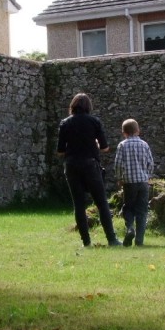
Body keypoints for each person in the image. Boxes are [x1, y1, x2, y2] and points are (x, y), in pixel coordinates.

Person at [57, 93, 121, 247]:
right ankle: (111, 239)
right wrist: (95, 145)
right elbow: (105, 147)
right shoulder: (94, 122)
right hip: (90, 164)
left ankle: (86, 242)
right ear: (88, 106)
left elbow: (60, 151)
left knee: (78, 204)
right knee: (101, 203)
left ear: (73, 106)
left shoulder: (65, 123)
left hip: (71, 165)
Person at [113, 118, 155, 247]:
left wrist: (120, 178)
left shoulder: (122, 145)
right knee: (142, 211)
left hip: (129, 182)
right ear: (138, 131)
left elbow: (118, 164)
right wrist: (147, 175)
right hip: (143, 181)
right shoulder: (144, 144)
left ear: (123, 132)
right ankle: (139, 241)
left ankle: (130, 227)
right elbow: (150, 163)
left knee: (128, 207)